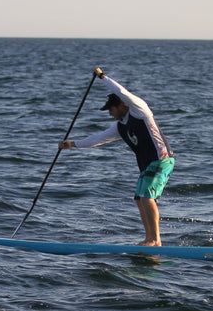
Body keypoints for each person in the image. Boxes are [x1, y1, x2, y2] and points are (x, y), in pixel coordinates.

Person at [59, 67, 174, 246]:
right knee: (139, 199)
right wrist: (73, 144)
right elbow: (98, 139)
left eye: (111, 109)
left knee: (146, 196)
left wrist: (102, 77)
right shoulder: (120, 126)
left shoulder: (140, 110)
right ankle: (149, 238)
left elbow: (121, 91)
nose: (109, 113)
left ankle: (155, 239)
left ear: (123, 105)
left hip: (161, 159)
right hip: (147, 165)